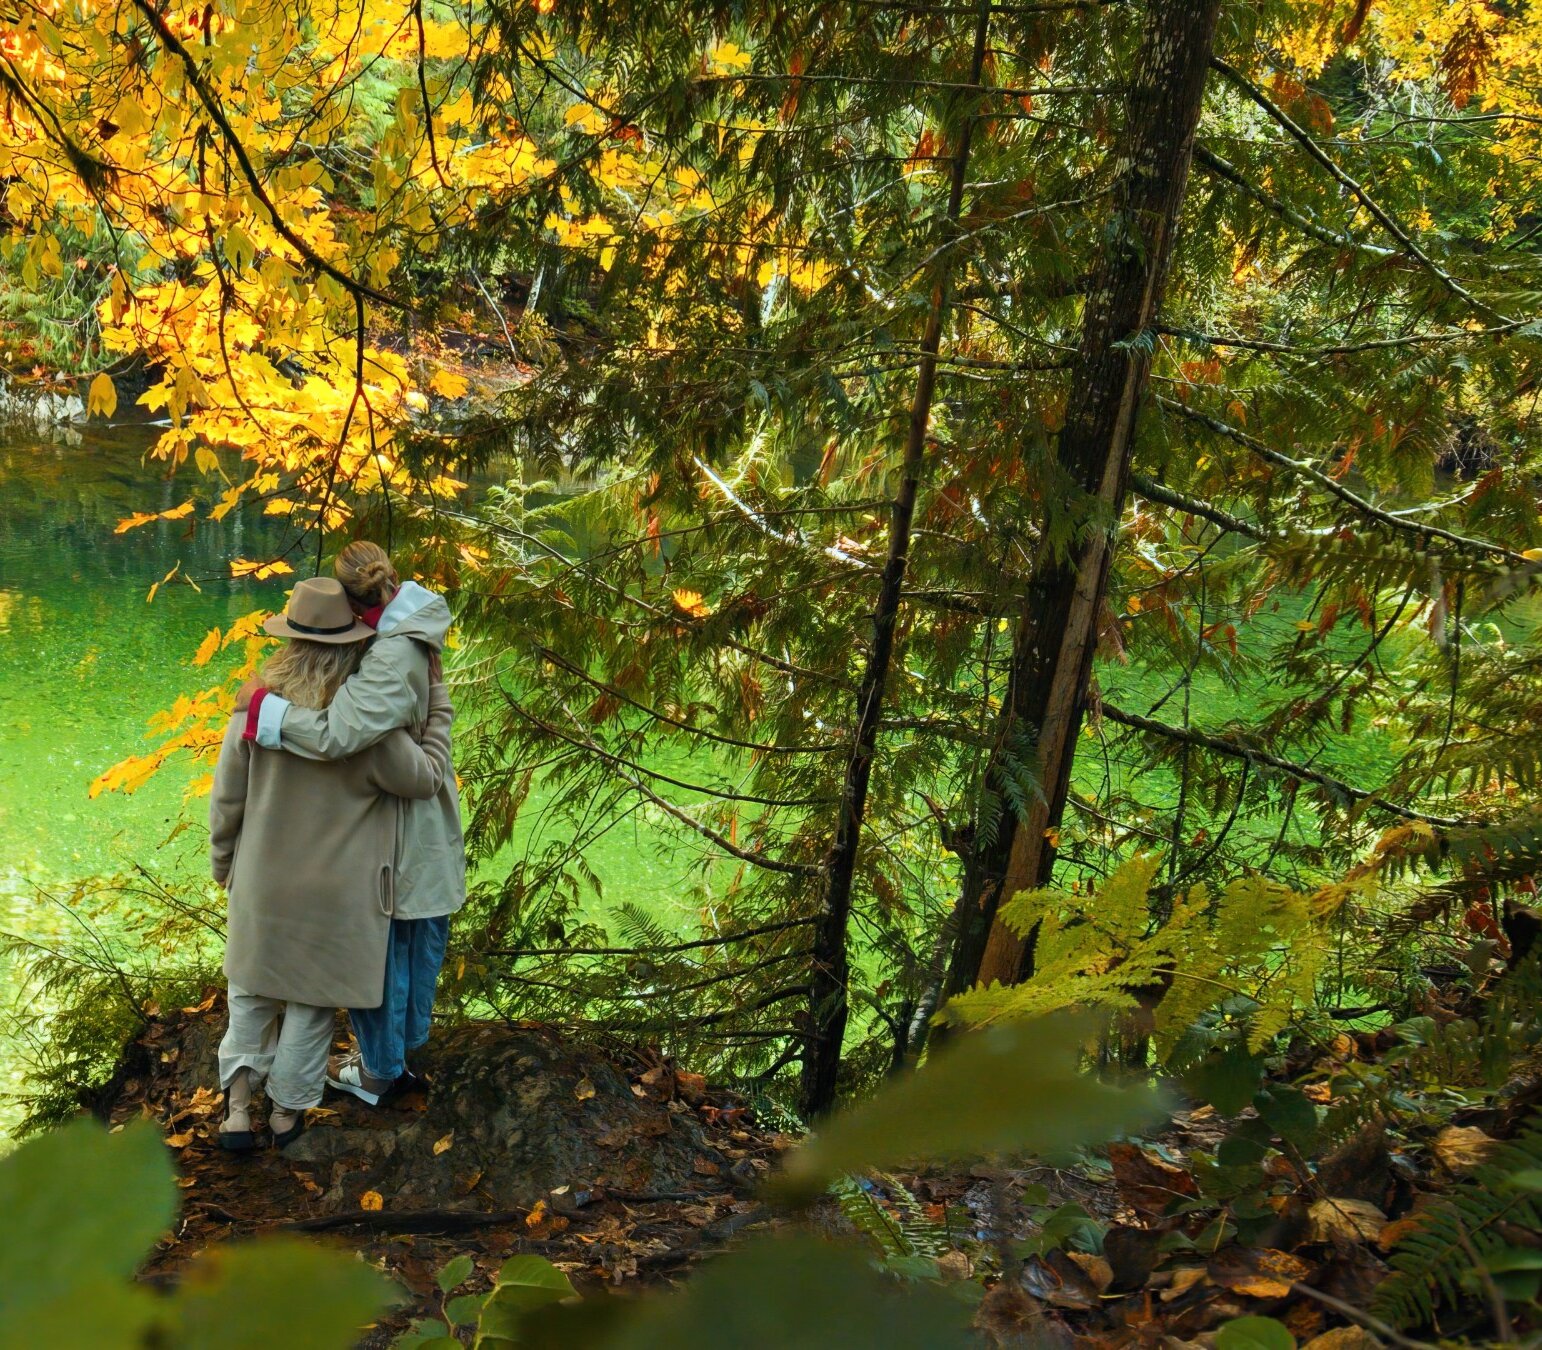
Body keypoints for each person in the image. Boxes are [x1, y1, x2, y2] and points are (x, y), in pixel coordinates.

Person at [211, 577, 456, 1151]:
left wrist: (226, 865)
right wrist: (438, 705)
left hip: (263, 884)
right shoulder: (370, 732)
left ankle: (238, 1113)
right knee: (310, 1004)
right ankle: (285, 1117)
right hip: (337, 896)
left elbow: (227, 800)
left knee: (250, 993)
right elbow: (425, 779)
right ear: (354, 642)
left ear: (289, 639)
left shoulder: (255, 708)